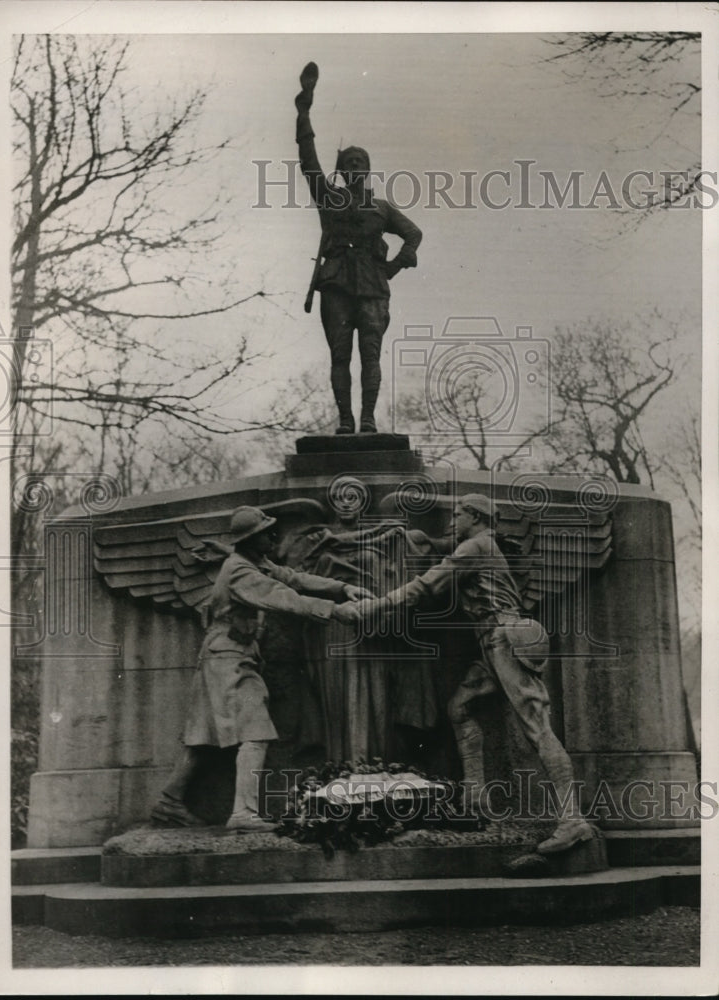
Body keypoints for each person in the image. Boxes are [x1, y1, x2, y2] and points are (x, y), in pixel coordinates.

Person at [352, 494, 595, 854]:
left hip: (504, 637)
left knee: (537, 728)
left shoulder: (475, 546)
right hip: (492, 640)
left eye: (458, 514)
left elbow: (427, 585)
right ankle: (476, 801)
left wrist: (377, 605)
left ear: (476, 517)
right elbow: (440, 550)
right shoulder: (480, 544)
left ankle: (572, 821)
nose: (452, 520)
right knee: (459, 709)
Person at [151, 505, 368, 833]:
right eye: (267, 532)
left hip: (225, 656)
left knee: (203, 738)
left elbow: (293, 577)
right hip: (230, 658)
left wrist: (341, 588)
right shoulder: (241, 571)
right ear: (251, 540)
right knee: (256, 732)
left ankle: (170, 801)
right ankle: (243, 814)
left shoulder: (253, 563)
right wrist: (336, 611)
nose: (274, 536)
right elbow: (283, 596)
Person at [295, 61, 422, 434]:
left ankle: (367, 419)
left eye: (360, 162)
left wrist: (395, 266)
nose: (354, 166)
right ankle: (346, 421)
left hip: (372, 284)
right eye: (348, 162)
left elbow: (414, 234)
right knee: (340, 354)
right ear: (342, 170)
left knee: (370, 354)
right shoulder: (329, 198)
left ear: (367, 169)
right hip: (336, 281)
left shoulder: (381, 208)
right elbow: (308, 163)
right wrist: (303, 112)